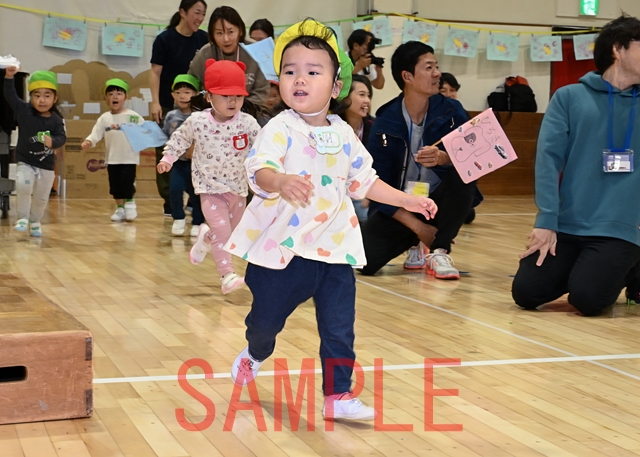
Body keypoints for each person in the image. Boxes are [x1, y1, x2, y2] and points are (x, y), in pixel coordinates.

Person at [225, 20, 437, 421]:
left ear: (336, 84)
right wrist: (280, 181)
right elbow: (260, 170)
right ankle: (256, 350)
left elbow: (366, 182)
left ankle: (338, 394)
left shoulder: (343, 133)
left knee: (340, 326)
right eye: (290, 70)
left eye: (312, 71)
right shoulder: (279, 128)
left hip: (335, 249)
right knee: (265, 322)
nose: (299, 79)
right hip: (284, 253)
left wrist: (407, 199)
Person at [511, 15, 640, 316]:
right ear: (618, 49)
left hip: (623, 227)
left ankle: (630, 268)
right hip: (569, 225)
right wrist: (546, 220)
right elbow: (548, 159)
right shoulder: (569, 97)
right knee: (526, 292)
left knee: (588, 300)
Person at [360, 41, 476, 279]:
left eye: (436, 66)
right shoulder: (386, 119)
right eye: (429, 67)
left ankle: (439, 251)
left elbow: (476, 157)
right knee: (366, 262)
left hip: (438, 200)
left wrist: (445, 158)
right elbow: (376, 182)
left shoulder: (452, 111)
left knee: (464, 171)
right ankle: (416, 240)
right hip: (403, 204)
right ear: (407, 76)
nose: (437, 73)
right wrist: (419, 227)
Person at [158, 59, 260, 294]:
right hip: (210, 189)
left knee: (229, 233)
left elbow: (264, 145)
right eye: (225, 96)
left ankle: (206, 238)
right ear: (209, 97)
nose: (232, 101)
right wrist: (168, 159)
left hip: (238, 188)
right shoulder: (198, 121)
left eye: (238, 96)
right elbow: (179, 140)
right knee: (223, 232)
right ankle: (227, 275)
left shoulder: (247, 123)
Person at [150, 0, 208, 216]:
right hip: (168, 104)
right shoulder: (164, 39)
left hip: (196, 107)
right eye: (196, 12)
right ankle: (170, 200)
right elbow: (155, 72)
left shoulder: (203, 39)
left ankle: (194, 198)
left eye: (203, 14)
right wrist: (155, 102)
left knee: (197, 150)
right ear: (183, 12)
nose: (200, 18)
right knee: (166, 150)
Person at [3, 67, 66, 237]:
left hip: (46, 165)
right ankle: (22, 218)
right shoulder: (24, 111)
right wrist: (9, 77)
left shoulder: (56, 119)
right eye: (36, 95)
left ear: (55, 98)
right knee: (23, 185)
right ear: (30, 97)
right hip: (25, 160)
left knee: (41, 196)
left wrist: (53, 142)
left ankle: (35, 221)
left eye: (47, 95)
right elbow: (10, 95)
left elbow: (62, 137)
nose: (42, 100)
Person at [81, 79, 144, 222]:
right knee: (115, 186)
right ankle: (120, 208)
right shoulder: (105, 118)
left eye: (119, 94)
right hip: (112, 158)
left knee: (127, 182)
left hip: (129, 157)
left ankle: (130, 204)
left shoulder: (133, 117)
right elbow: (96, 133)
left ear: (126, 97)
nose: (115, 97)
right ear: (106, 98)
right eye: (111, 94)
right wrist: (89, 141)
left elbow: (144, 130)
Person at [188, 6, 270, 108]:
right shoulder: (204, 54)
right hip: (211, 112)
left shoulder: (256, 51)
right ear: (212, 34)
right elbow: (191, 88)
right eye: (219, 33)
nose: (226, 39)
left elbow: (262, 92)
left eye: (230, 32)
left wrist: (238, 110)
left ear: (240, 31)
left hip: (250, 111)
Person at [162, 74, 205, 237]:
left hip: (197, 164)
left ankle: (198, 222)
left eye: (187, 92)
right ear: (173, 95)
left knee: (197, 193)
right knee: (174, 189)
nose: (182, 96)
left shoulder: (200, 117)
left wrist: (194, 147)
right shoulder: (171, 116)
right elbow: (166, 136)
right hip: (178, 163)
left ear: (196, 94)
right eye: (178, 92)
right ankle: (178, 218)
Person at [338, 74, 374, 222]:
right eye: (361, 94)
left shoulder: (375, 127)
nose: (367, 101)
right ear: (345, 97)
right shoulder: (332, 126)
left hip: (364, 192)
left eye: (368, 96)